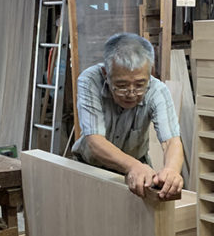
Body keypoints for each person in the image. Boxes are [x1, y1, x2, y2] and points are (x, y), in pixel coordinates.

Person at [71, 33, 184, 200]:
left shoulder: (157, 91)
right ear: (106, 73)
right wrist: (133, 166)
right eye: (122, 85)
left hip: (138, 169)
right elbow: (95, 140)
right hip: (90, 167)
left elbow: (171, 141)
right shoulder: (90, 81)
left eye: (139, 85)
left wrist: (171, 171)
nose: (131, 93)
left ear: (150, 73)